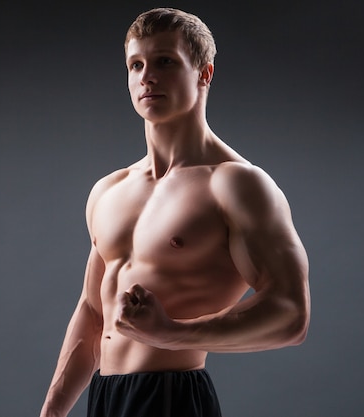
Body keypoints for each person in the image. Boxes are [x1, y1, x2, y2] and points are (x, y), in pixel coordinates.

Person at [39, 7, 310, 417]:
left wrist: (172, 334)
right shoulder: (109, 190)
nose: (147, 76)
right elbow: (94, 312)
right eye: (136, 64)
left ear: (204, 73)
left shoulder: (236, 185)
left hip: (171, 398)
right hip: (106, 398)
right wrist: (53, 410)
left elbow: (291, 315)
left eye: (165, 61)